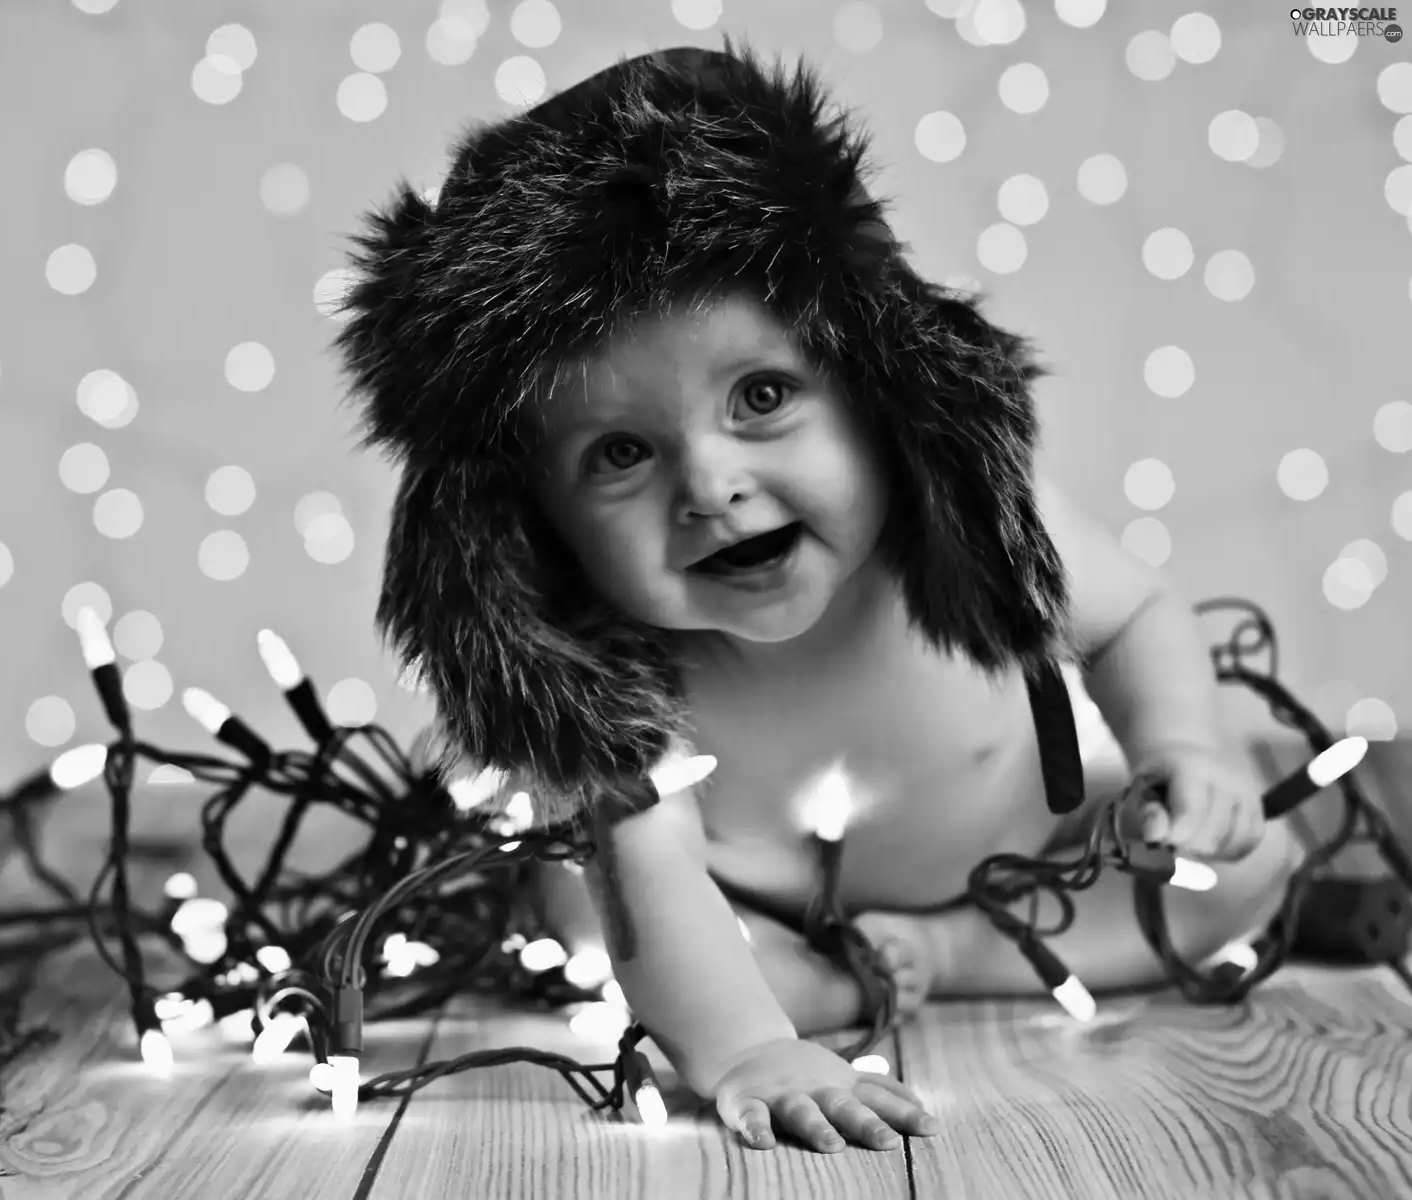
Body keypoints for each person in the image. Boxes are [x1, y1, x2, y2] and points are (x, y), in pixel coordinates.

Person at [331, 41, 1302, 1155]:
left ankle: (957, 962)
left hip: (1030, 863)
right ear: (534, 521)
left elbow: (1133, 619)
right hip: (751, 917)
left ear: (874, 383)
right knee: (597, 928)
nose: (709, 486)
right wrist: (746, 1049)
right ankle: (821, 986)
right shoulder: (608, 673)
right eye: (619, 454)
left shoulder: (973, 526)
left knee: (1247, 864)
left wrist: (1188, 746)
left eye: (762, 395)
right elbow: (656, 895)